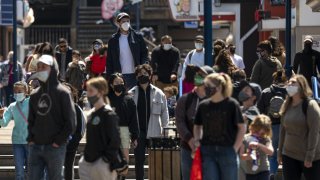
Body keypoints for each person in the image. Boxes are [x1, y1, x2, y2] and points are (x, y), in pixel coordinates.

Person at [27, 54, 76, 180]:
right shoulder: (34, 94)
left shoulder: (63, 92)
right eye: (38, 66)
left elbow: (71, 122)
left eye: (44, 66)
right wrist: (31, 138)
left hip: (55, 147)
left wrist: (58, 141)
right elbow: (31, 120)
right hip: (36, 146)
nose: (40, 69)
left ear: (53, 69)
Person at [193, 73, 246, 180]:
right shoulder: (203, 106)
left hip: (227, 150)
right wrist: (197, 140)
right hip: (207, 150)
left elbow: (242, 127)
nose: (206, 88)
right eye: (205, 86)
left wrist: (235, 148)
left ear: (219, 87)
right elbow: (197, 126)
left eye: (209, 86)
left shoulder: (232, 104)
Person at [128, 64, 169, 180]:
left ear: (150, 76)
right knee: (139, 161)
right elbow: (128, 116)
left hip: (155, 131)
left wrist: (165, 130)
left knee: (155, 161)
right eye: (140, 74)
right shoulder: (131, 94)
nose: (143, 76)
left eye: (145, 74)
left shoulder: (159, 93)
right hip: (138, 133)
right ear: (136, 76)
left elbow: (164, 112)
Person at [278, 75, 320, 180]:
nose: (289, 84)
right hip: (288, 154)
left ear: (302, 86)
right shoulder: (286, 104)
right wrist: (279, 153)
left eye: (293, 82)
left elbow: (314, 132)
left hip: (308, 157)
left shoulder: (311, 105)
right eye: (289, 82)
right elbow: (282, 130)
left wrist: (309, 156)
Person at [175, 66, 213, 180]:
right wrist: (191, 140)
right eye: (197, 74)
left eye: (202, 75)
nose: (197, 77)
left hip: (210, 148)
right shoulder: (185, 100)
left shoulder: (214, 100)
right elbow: (180, 122)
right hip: (187, 148)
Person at [79, 77, 120, 180]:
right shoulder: (91, 114)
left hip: (102, 163)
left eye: (91, 91)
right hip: (88, 161)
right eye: (87, 90)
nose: (88, 94)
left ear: (101, 92)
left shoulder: (109, 114)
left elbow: (114, 140)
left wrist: (106, 160)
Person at [108, 73, 139, 179]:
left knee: (124, 160)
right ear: (111, 85)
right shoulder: (106, 99)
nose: (119, 84)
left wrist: (135, 136)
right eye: (116, 82)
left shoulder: (129, 99)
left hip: (124, 131)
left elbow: (133, 119)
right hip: (109, 132)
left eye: (121, 82)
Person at [107, 12, 149, 89]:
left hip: (136, 74)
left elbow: (144, 53)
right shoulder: (113, 40)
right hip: (120, 76)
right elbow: (109, 60)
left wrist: (143, 67)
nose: (126, 23)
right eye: (123, 21)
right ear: (118, 23)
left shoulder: (137, 36)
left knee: (135, 98)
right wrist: (109, 77)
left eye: (127, 21)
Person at [257, 70, 287, 178]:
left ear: (273, 79)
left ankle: (272, 175)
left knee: (272, 156)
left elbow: (259, 111)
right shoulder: (289, 92)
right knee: (286, 155)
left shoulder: (266, 92)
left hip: (270, 127)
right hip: (285, 128)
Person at [0, 81, 29, 180]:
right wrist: (0, 116)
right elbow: (3, 123)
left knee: (31, 171)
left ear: (26, 91)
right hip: (17, 142)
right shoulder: (12, 106)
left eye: (20, 91)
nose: (17, 93)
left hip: (31, 141)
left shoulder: (32, 102)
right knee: (19, 171)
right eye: (15, 91)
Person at [62, 83, 86, 180]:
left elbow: (81, 128)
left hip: (71, 145)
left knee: (68, 167)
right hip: (56, 145)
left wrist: (73, 142)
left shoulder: (77, 108)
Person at [240, 115, 274, 180]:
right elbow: (241, 156)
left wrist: (259, 145)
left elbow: (271, 152)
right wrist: (249, 156)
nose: (258, 134)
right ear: (252, 127)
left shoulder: (266, 139)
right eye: (256, 131)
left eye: (262, 134)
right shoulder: (245, 138)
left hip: (263, 171)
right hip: (249, 173)